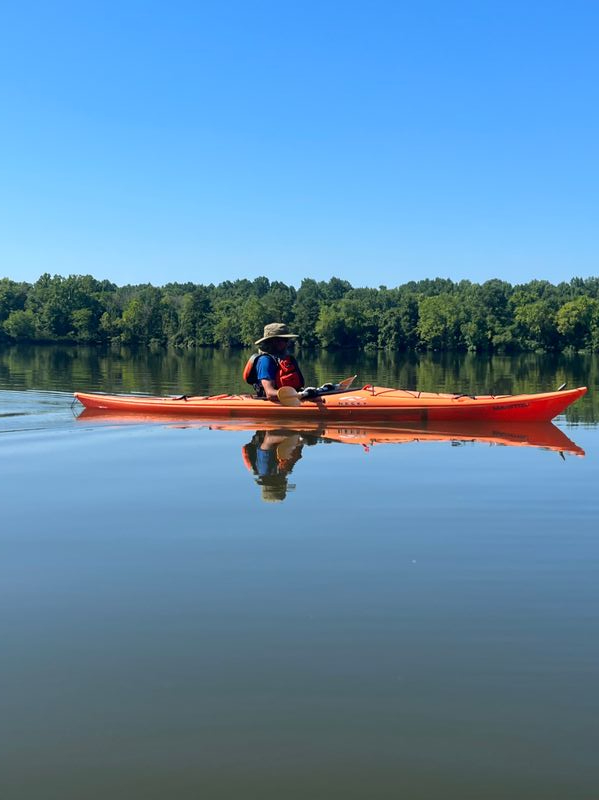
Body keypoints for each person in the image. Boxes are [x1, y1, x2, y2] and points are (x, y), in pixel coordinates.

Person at [243, 323, 305, 401]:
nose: (287, 343)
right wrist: (297, 395)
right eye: (285, 340)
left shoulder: (289, 359)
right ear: (274, 341)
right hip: (273, 403)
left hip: (292, 398)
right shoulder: (265, 361)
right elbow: (270, 393)